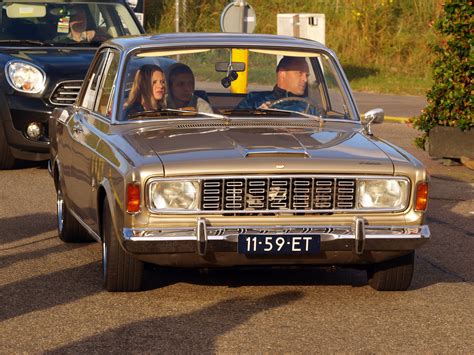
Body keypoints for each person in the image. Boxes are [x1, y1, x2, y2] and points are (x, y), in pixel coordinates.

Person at [236, 56, 318, 114]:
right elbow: (236, 129)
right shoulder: (254, 99)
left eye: (306, 75)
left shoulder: (310, 106)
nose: (305, 79)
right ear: (282, 74)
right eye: (300, 73)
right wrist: (257, 116)